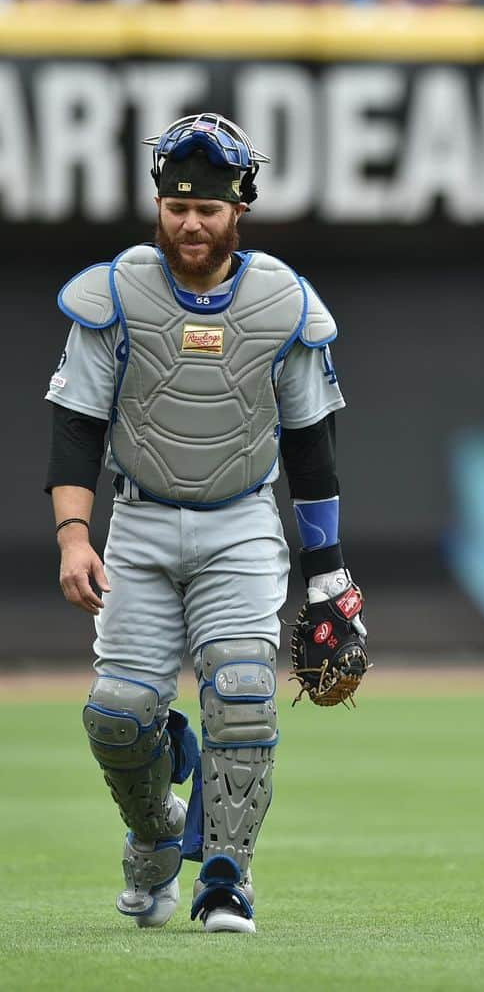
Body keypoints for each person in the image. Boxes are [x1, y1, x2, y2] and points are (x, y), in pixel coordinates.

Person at [45, 112, 365, 934]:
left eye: (209, 207)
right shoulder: (117, 290)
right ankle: (154, 832)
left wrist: (327, 570)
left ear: (239, 210)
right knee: (118, 714)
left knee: (245, 693)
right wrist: (75, 535)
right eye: (177, 204)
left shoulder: (283, 300)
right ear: (158, 202)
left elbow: (309, 442)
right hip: (141, 524)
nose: (191, 221)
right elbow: (76, 422)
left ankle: (226, 876)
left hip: (241, 524)